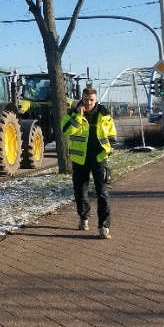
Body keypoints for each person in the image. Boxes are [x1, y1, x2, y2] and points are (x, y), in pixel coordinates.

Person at [61, 88, 117, 239]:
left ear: (96, 99)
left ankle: (104, 226)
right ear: (82, 98)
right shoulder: (72, 114)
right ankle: (84, 218)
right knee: (80, 191)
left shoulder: (104, 113)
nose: (88, 102)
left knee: (103, 193)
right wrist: (78, 116)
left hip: (99, 158)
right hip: (80, 160)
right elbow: (66, 130)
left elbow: (112, 134)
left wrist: (110, 149)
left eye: (91, 99)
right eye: (86, 99)